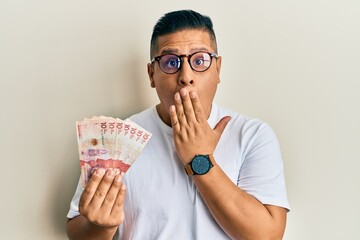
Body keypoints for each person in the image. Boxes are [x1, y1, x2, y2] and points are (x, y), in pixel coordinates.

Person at [66, 9, 290, 240]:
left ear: (218, 68)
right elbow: (77, 231)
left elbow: (267, 236)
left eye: (199, 60)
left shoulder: (253, 135)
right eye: (171, 62)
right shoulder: (118, 139)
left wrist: (199, 159)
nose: (186, 76)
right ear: (152, 74)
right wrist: (101, 227)